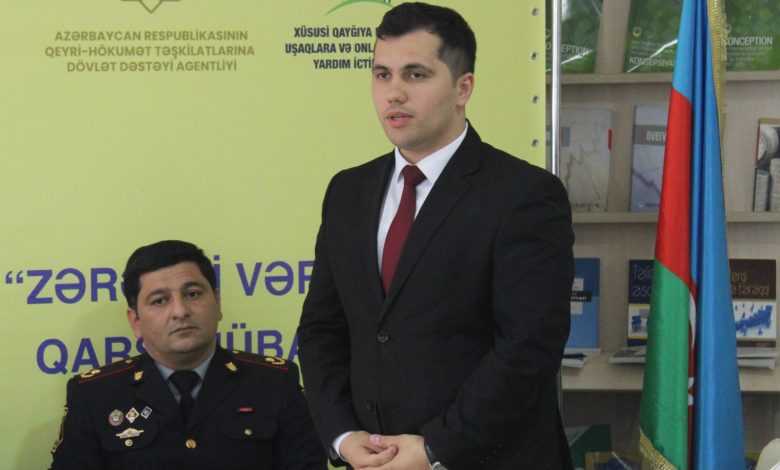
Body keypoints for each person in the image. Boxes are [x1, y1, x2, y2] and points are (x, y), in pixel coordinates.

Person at [297, 3, 575, 470]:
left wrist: (434, 449)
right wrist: (343, 436)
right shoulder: (347, 191)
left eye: (416, 75)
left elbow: (528, 347)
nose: (394, 93)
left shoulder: (524, 195)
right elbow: (322, 329)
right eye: (382, 75)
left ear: (463, 87)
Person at [50, 240, 326, 470]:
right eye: (160, 300)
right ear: (135, 321)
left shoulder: (275, 383)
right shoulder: (94, 395)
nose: (180, 311)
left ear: (217, 302)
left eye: (192, 294)